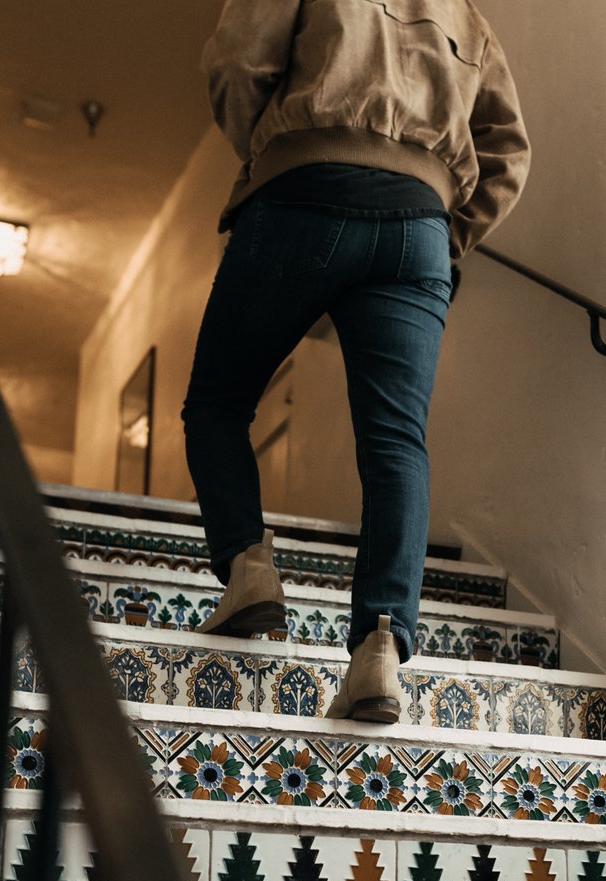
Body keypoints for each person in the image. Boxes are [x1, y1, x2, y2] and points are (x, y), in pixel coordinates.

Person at [183, 0, 530, 723]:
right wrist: (446, 231)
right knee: (396, 441)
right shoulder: (465, 16)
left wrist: (272, 153)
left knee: (217, 402)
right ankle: (380, 649)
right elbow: (507, 150)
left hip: (302, 195)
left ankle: (248, 569)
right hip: (418, 224)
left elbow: (237, 60)